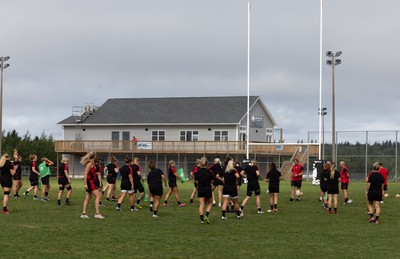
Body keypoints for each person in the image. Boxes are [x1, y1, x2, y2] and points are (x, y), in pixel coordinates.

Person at [80, 151, 105, 219]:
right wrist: (85, 184)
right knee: (98, 196)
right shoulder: (90, 163)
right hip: (89, 182)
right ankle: (97, 213)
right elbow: (85, 174)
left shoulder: (92, 163)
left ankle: (84, 213)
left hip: (91, 182)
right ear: (94, 156)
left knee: (88, 198)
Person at [194, 157, 214, 224]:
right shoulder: (209, 172)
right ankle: (206, 215)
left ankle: (202, 220)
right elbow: (212, 180)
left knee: (201, 204)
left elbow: (196, 182)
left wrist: (197, 187)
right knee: (210, 203)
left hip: (201, 189)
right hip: (208, 188)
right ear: (207, 163)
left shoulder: (197, 172)